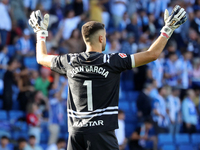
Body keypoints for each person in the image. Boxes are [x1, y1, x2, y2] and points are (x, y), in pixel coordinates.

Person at [28, 6, 186, 150]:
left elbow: (41, 58)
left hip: (76, 132)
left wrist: (40, 33)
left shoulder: (70, 61)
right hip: (101, 132)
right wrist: (168, 29)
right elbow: (152, 54)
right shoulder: (111, 60)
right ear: (101, 39)